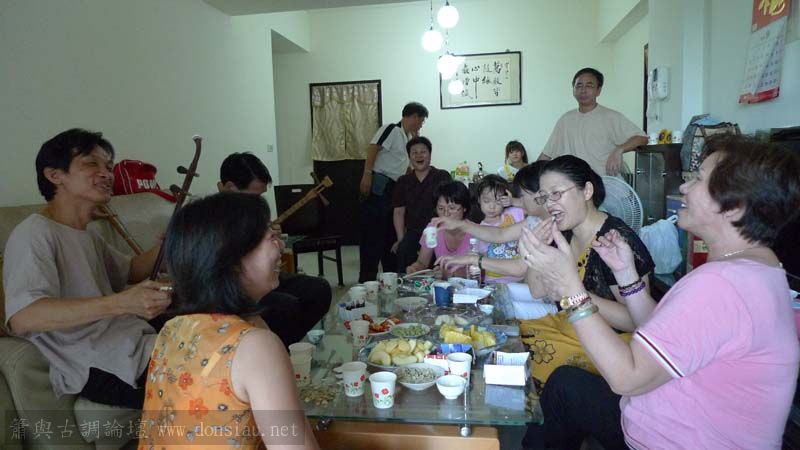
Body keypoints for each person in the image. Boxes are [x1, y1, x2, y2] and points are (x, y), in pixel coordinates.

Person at [519, 135, 800, 449]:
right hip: (663, 418)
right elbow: (661, 328)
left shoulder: (722, 284)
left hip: (672, 440)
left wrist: (571, 289)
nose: (683, 187)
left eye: (698, 179)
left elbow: (626, 377)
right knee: (565, 385)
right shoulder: (758, 268)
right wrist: (628, 277)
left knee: (558, 379)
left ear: (734, 207)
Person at [3, 128, 170, 409]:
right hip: (101, 364)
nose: (106, 174)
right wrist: (121, 303)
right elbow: (23, 317)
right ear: (54, 175)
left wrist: (172, 245)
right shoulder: (34, 233)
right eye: (91, 163)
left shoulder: (88, 235)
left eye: (109, 167)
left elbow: (130, 270)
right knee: (216, 375)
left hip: (130, 338)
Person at [139, 192, 320, 450]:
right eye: (270, 237)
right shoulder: (255, 346)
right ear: (232, 259)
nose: (280, 246)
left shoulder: (172, 329)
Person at [218, 152, 332, 347]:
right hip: (234, 286)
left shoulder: (251, 211)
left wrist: (273, 238)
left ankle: (297, 348)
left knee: (318, 289)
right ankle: (279, 351)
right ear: (230, 188)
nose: (259, 201)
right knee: (284, 306)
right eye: (255, 196)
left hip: (260, 276)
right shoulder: (211, 218)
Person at [435, 162, 549, 285]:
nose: (519, 201)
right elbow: (500, 234)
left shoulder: (543, 224)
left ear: (541, 195)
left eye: (522, 196)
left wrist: (472, 259)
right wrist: (461, 224)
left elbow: (519, 268)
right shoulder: (535, 221)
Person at [358, 101, 428, 282]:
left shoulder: (406, 138)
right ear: (414, 117)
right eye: (421, 121)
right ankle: (366, 281)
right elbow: (373, 148)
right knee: (373, 236)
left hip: (393, 188)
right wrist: (367, 173)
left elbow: (403, 166)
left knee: (389, 235)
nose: (421, 125)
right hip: (380, 185)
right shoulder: (392, 129)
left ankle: (390, 278)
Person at [538, 68, 647, 176]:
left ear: (598, 90)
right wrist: (531, 175)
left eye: (589, 86)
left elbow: (642, 138)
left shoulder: (611, 117)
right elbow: (546, 155)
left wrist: (619, 150)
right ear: (573, 90)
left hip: (605, 182)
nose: (583, 90)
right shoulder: (565, 120)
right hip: (575, 183)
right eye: (579, 86)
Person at [391, 136, 452, 272]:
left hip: (439, 230)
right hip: (414, 232)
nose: (419, 156)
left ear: (430, 155)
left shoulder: (442, 176)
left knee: (440, 264)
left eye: (423, 152)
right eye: (414, 152)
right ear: (409, 157)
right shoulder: (403, 181)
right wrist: (401, 238)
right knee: (403, 251)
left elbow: (451, 205)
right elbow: (399, 211)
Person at [406, 181, 472, 278]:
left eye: (452, 208)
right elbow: (422, 262)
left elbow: (481, 270)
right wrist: (414, 269)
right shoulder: (433, 228)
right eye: (441, 208)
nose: (446, 213)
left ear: (464, 208)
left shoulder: (476, 231)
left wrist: (451, 274)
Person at [473, 174, 526, 283]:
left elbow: (535, 209)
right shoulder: (480, 230)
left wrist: (513, 201)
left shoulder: (513, 213)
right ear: (479, 200)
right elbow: (483, 258)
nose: (492, 206)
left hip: (520, 278)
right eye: (486, 201)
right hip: (494, 280)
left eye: (498, 201)